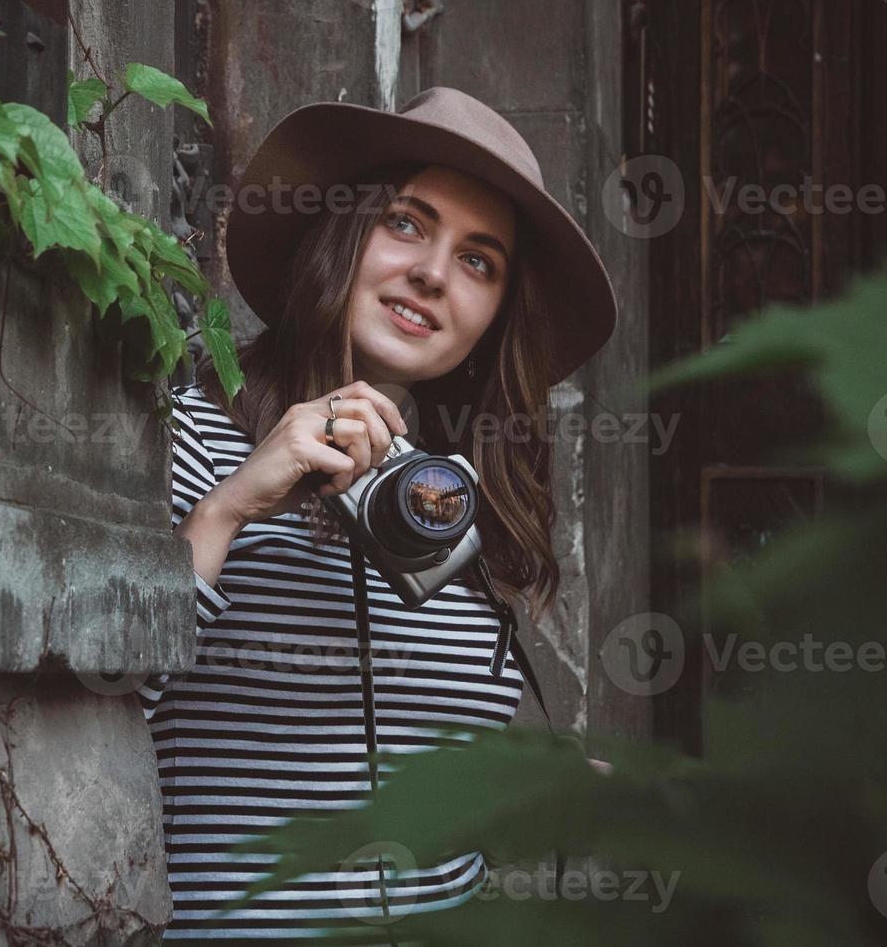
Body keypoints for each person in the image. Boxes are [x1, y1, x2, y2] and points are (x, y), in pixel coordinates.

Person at [136, 87, 617, 942]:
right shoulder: (194, 437)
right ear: (340, 234)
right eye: (406, 223)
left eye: (480, 261)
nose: (434, 272)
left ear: (496, 315)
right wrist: (233, 505)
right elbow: (100, 701)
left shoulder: (456, 496)